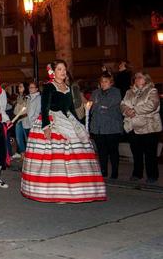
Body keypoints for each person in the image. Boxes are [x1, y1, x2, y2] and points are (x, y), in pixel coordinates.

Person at [21, 60, 106, 203]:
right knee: (56, 156)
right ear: (53, 72)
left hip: (67, 119)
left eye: (64, 69)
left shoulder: (67, 87)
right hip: (53, 120)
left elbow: (71, 108)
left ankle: (76, 190)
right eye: (59, 69)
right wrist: (46, 126)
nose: (63, 71)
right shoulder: (49, 87)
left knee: (77, 151)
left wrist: (78, 124)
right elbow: (45, 107)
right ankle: (55, 191)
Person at [121, 71, 162, 184]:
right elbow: (123, 104)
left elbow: (152, 105)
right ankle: (137, 174)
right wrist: (126, 110)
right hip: (133, 127)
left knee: (150, 154)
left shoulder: (152, 91)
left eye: (140, 77)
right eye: (135, 78)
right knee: (136, 153)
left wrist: (134, 110)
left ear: (146, 79)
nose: (137, 79)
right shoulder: (129, 92)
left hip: (149, 127)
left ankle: (152, 175)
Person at [90, 73, 123, 179]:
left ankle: (115, 172)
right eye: (102, 81)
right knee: (101, 151)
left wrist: (97, 106)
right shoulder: (95, 92)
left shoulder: (116, 92)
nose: (103, 83)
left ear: (111, 82)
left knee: (113, 151)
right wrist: (99, 106)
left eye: (106, 81)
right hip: (98, 127)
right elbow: (90, 106)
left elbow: (109, 104)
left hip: (112, 127)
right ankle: (103, 171)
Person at [13, 82, 28, 159]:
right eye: (19, 87)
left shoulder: (28, 97)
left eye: (21, 86)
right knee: (18, 138)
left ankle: (28, 155)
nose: (19, 88)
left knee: (26, 138)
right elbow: (16, 111)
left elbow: (26, 109)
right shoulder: (19, 97)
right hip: (19, 120)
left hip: (26, 120)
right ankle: (22, 154)